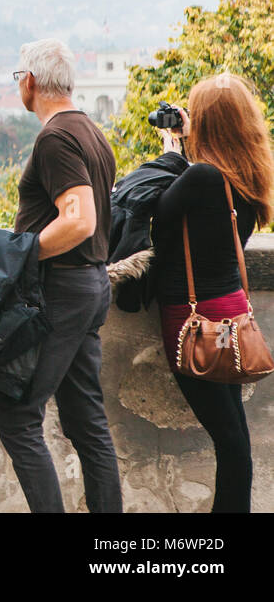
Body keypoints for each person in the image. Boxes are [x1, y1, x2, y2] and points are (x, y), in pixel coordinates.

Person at [0, 39, 122, 513]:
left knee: (17, 419)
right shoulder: (91, 131)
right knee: (86, 424)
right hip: (90, 285)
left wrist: (18, 250)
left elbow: (79, 220)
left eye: (18, 77)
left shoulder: (55, 137)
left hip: (61, 290)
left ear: (30, 82)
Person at [151, 74, 272, 512]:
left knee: (232, 443)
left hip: (194, 323)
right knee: (235, 438)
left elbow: (159, 221)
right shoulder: (249, 180)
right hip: (229, 324)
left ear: (204, 123)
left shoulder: (201, 176)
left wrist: (172, 150)